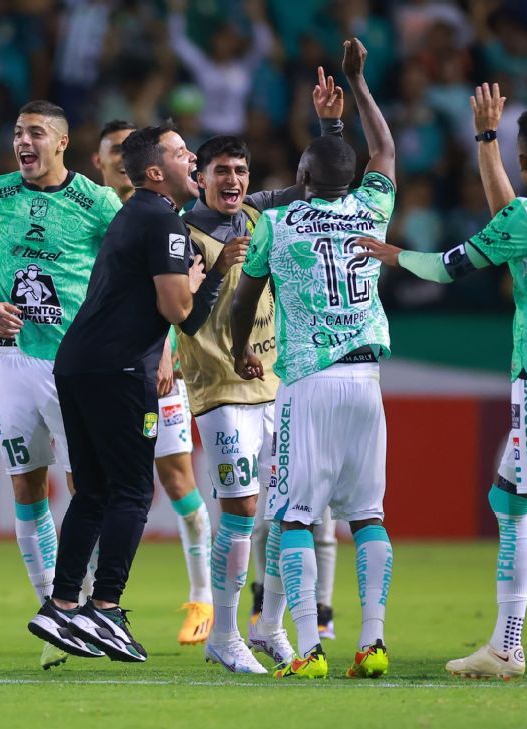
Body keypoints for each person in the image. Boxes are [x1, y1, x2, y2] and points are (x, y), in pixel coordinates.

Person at [362, 54, 527, 686]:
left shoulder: (525, 220)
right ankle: (506, 646)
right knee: (507, 496)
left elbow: (446, 268)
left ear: (523, 158)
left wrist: (392, 253)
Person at [231, 38, 396, 681]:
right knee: (368, 515)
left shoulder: (283, 222)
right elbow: (382, 150)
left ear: (301, 179)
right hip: (367, 378)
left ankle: (308, 650)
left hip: (308, 379)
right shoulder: (372, 207)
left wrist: (244, 345)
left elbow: (246, 297)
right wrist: (357, 85)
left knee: (296, 515)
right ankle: (373, 644)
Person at [175, 67, 349, 671]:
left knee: (287, 511)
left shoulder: (257, 215)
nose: (233, 180)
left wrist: (330, 124)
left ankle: (269, 626)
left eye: (240, 172)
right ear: (198, 179)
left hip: (275, 386)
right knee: (243, 513)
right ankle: (225, 636)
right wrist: (221, 266)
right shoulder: (179, 236)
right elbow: (186, 319)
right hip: (220, 390)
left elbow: (319, 187)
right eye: (221, 171)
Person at [29, 120, 215, 664]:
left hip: (78, 363)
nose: (193, 160)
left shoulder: (132, 216)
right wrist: (206, 278)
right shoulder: (165, 223)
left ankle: (61, 604)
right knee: (133, 491)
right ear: (157, 171)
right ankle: (105, 609)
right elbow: (178, 310)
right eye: (183, 154)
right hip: (120, 372)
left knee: (93, 491)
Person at [0, 100, 122, 669]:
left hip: (75, 365)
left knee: (85, 489)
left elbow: (130, 277)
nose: (22, 142)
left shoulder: (97, 203)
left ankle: (91, 606)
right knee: (26, 488)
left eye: (35, 133)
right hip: (12, 362)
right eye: (17, 133)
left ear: (61, 142)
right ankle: (54, 613)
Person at [94, 118, 215, 647]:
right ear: (102, 163)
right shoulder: (94, 212)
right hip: (105, 364)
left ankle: (203, 598)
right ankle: (93, 605)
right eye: (113, 150)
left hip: (157, 363)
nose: (121, 157)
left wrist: (165, 351)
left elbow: (167, 294)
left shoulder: (170, 213)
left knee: (175, 479)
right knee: (92, 489)